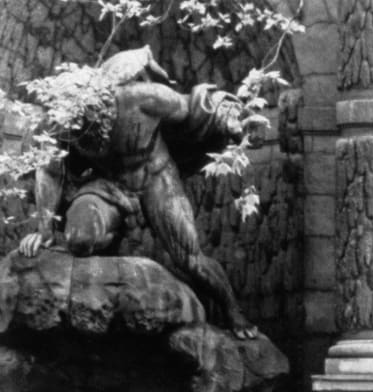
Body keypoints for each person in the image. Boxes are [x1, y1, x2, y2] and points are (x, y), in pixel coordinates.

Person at [18, 46, 259, 338]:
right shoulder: (60, 121)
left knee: (191, 260)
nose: (83, 136)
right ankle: (111, 246)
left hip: (155, 176)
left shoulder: (144, 99)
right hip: (105, 185)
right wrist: (44, 229)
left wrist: (227, 119)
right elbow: (50, 169)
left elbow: (195, 106)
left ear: (105, 109)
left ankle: (233, 310)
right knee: (78, 239)